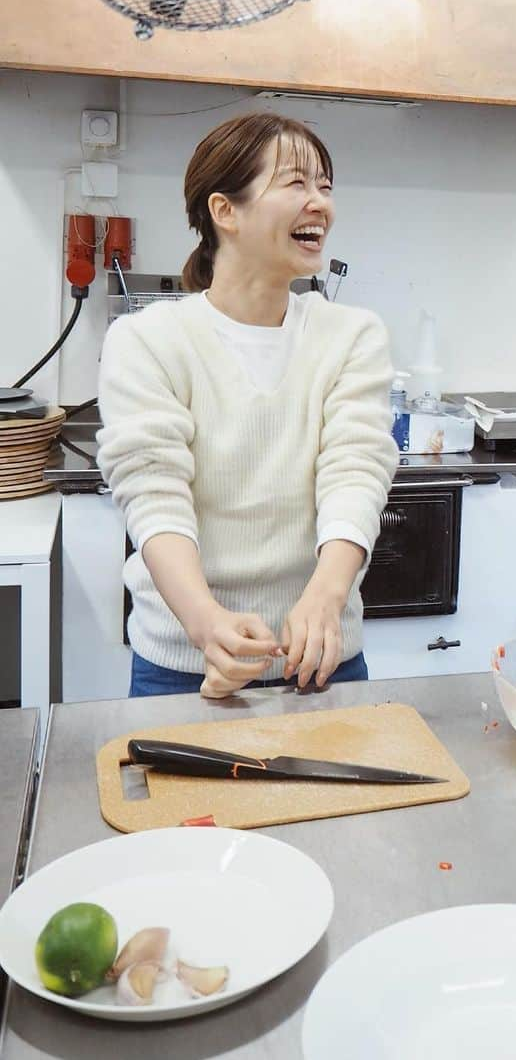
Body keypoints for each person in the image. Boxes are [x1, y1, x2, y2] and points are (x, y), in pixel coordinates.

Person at [97, 112, 399, 697]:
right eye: (295, 184)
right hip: (184, 666)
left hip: (323, 660)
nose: (319, 204)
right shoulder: (148, 340)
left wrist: (325, 598)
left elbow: (355, 472)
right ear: (224, 211)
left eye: (325, 187)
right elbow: (153, 495)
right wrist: (205, 623)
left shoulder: (352, 335)